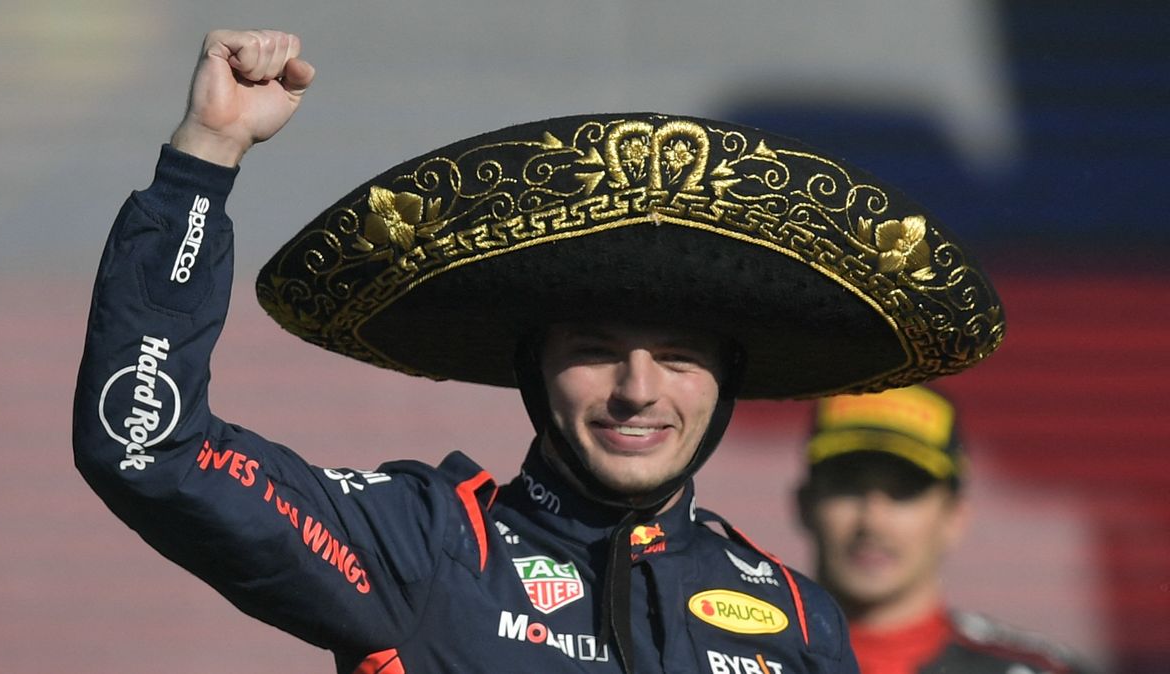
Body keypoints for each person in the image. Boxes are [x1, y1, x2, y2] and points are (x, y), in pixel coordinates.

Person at [72, 29, 1006, 674]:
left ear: (729, 384)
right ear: (532, 369)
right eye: (597, 350)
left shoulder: (800, 621)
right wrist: (205, 158)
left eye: (679, 357)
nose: (638, 390)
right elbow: (148, 447)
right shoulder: (427, 545)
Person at [795, 385, 1095, 674]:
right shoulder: (755, 656)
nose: (872, 522)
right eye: (848, 487)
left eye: (904, 491)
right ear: (804, 505)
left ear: (955, 517)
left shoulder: (1044, 670)